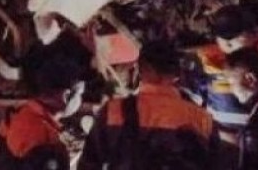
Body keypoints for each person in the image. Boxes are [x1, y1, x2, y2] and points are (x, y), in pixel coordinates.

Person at [77, 39, 215, 170]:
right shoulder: (202, 119)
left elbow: (88, 164)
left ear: (140, 70)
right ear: (177, 74)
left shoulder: (113, 111)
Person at [183, 5, 258, 146]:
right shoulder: (207, 59)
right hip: (222, 141)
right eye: (221, 36)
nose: (227, 42)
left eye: (235, 36)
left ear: (253, 34)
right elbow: (191, 101)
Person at [0, 45, 85, 170]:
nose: (79, 100)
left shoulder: (20, 117)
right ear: (65, 95)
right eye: (79, 94)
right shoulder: (45, 144)